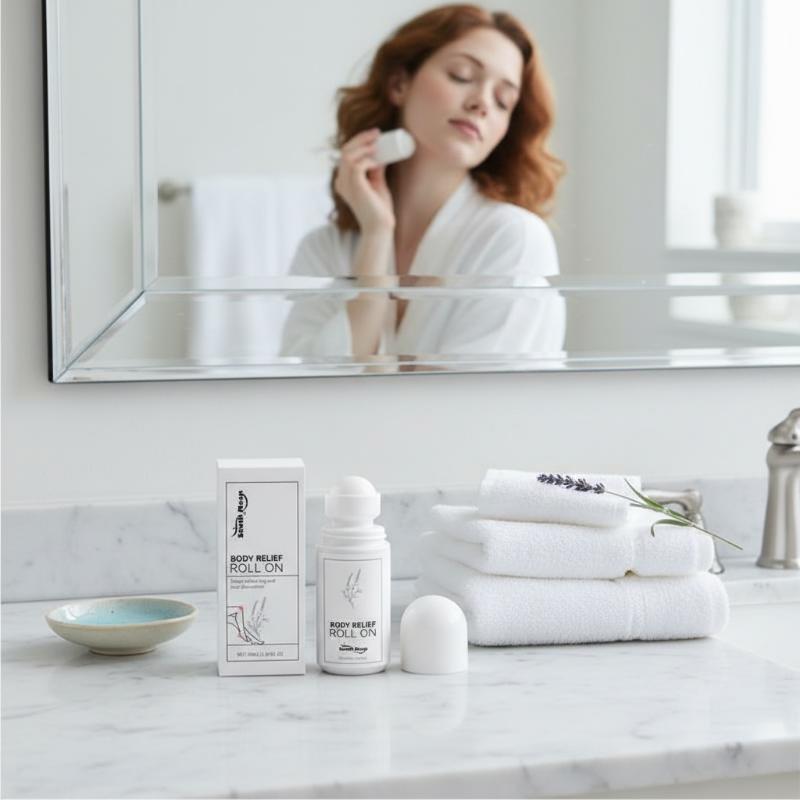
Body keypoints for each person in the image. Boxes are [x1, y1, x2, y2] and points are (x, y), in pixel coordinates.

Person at [281, 3, 565, 362]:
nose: (482, 103)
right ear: (399, 84)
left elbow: (486, 394)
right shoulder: (323, 250)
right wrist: (376, 237)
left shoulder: (512, 239)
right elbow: (307, 387)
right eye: (461, 75)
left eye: (503, 101)